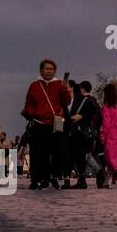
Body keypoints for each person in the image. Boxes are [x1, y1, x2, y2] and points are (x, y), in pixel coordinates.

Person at [22, 59, 72, 190]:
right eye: (46, 69)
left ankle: (54, 176)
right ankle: (38, 178)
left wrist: (65, 90)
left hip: (55, 123)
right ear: (41, 70)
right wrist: (34, 114)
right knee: (38, 153)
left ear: (54, 71)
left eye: (51, 69)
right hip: (39, 123)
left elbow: (66, 102)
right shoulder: (34, 85)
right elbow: (29, 103)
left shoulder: (59, 84)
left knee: (56, 152)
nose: (49, 71)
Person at [66, 83, 100, 189]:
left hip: (80, 132)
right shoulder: (65, 100)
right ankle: (79, 178)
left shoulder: (84, 100)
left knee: (81, 155)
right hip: (69, 131)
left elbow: (94, 113)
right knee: (75, 156)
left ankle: (86, 177)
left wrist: (81, 116)